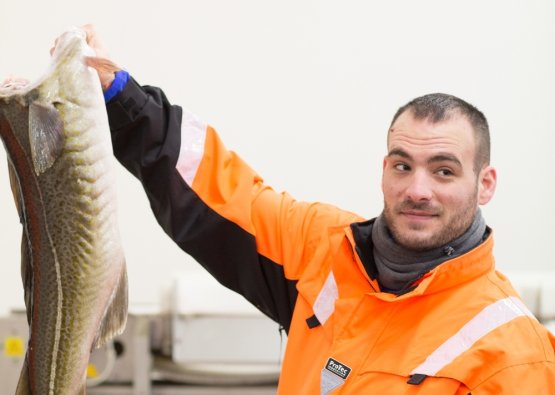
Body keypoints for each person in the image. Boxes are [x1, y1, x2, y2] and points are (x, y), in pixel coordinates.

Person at [79, 25, 555, 394]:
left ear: (485, 184)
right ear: (384, 170)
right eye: (403, 165)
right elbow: (219, 190)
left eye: (444, 171)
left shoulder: (514, 355)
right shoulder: (323, 249)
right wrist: (120, 96)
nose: (418, 189)